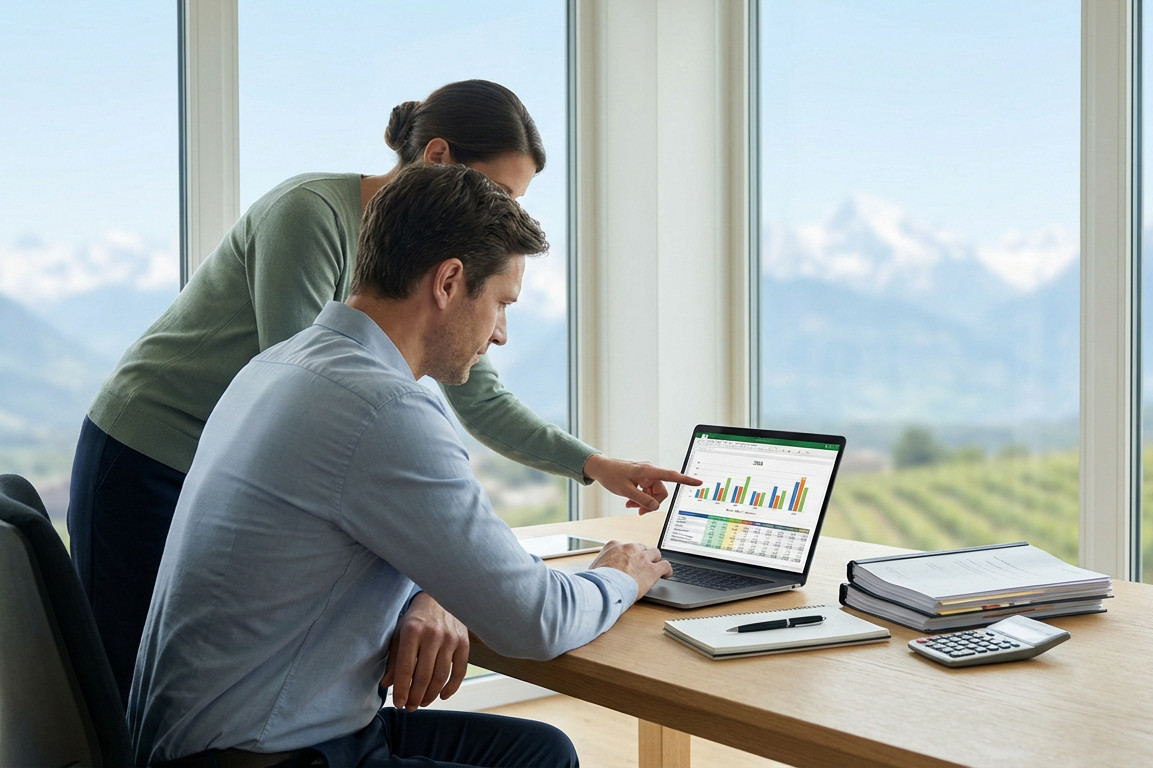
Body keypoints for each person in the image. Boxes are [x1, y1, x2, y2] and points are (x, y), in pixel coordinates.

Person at [67, 79, 695, 705]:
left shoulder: (425, 278)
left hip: (232, 464)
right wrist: (432, 586)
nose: (509, 218)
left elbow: (476, 392)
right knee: (125, 695)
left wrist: (590, 464)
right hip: (147, 452)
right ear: (439, 158)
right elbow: (314, 399)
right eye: (498, 192)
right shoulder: (310, 215)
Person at [128, 162, 673, 768]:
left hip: (223, 732)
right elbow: (536, 621)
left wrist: (425, 592)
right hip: (267, 754)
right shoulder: (381, 408)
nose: (501, 335)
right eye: (499, 303)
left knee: (539, 748)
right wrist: (624, 573)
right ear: (448, 282)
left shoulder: (281, 364)